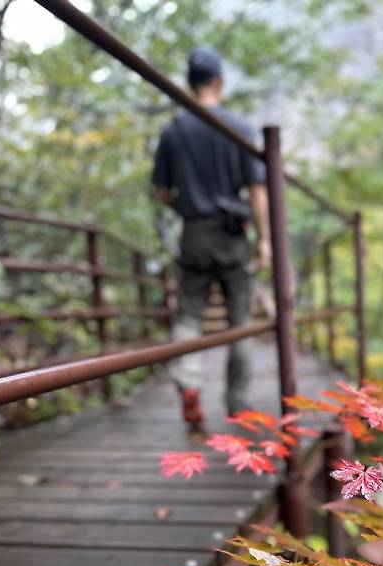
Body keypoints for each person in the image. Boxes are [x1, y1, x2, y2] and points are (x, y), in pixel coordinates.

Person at [152, 47, 271, 432]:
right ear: (219, 81)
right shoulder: (239, 127)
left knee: (188, 314)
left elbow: (161, 191)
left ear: (190, 83)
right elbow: (257, 190)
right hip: (232, 233)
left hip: (194, 232)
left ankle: (188, 383)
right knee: (239, 321)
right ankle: (237, 403)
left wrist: (186, 204)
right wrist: (265, 239)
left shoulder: (173, 131)